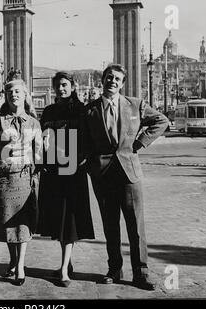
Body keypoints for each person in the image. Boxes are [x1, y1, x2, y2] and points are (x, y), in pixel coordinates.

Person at [84, 64, 169, 291]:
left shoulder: (135, 105)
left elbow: (162, 121)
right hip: (103, 177)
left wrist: (140, 143)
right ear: (102, 80)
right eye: (109, 77)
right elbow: (83, 141)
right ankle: (114, 269)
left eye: (117, 79)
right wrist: (90, 165)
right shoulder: (90, 110)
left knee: (136, 226)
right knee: (110, 225)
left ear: (122, 84)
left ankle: (141, 273)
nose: (113, 81)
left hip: (129, 174)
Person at [37, 72, 95, 287]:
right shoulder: (50, 111)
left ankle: (63, 270)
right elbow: (43, 134)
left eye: (64, 85)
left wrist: (84, 159)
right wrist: (43, 134)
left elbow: (90, 139)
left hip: (73, 171)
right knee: (59, 220)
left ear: (72, 86)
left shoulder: (82, 110)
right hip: (53, 171)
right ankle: (66, 263)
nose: (60, 89)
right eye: (57, 85)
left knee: (70, 220)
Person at [0, 72, 42, 286]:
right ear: (5, 95)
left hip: (24, 178)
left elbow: (39, 154)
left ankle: (20, 265)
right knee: (7, 223)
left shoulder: (34, 123)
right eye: (9, 92)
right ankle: (13, 260)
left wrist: (36, 172)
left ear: (25, 95)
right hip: (3, 179)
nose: (14, 95)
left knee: (23, 223)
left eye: (18, 91)